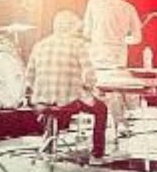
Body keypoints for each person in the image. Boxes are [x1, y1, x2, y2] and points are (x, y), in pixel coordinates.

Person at [26, 10, 108, 160]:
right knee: (101, 108)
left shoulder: (39, 45)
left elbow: (29, 77)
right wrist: (88, 88)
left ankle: (49, 145)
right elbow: (90, 74)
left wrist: (42, 92)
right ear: (71, 27)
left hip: (41, 103)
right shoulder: (78, 45)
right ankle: (98, 153)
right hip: (67, 101)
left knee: (53, 108)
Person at [82, 0, 142, 134]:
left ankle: (98, 124)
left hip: (97, 51)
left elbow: (87, 32)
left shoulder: (93, 3)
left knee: (96, 86)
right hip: (118, 54)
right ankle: (119, 123)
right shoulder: (128, 7)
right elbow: (137, 38)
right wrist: (122, 40)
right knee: (115, 88)